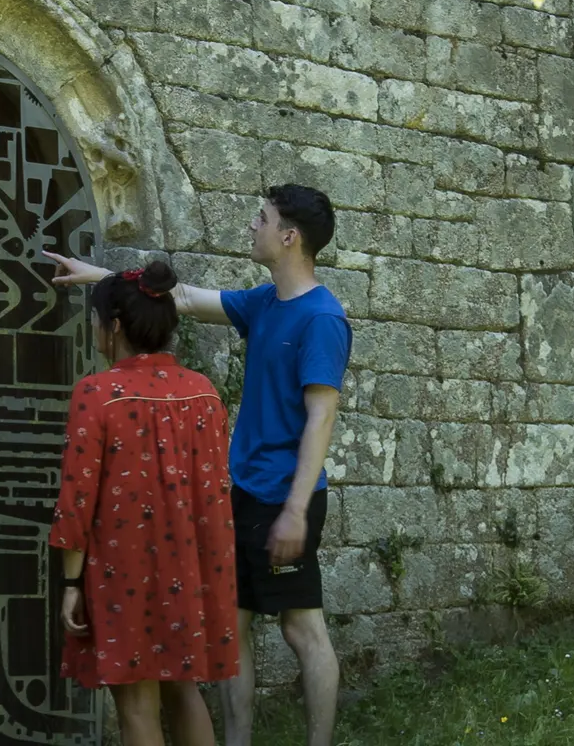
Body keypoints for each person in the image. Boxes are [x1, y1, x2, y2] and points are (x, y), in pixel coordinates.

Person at [48, 183, 351, 746]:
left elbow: (321, 417)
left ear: (289, 236)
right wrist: (94, 276)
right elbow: (179, 298)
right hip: (245, 493)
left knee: (301, 627)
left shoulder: (322, 319)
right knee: (231, 629)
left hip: (288, 497)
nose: (252, 226)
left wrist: (296, 510)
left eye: (262, 218)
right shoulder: (264, 302)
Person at [46, 254, 239, 746]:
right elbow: (216, 487)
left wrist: (71, 581)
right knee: (183, 688)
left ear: (113, 327)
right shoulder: (204, 392)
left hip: (122, 568)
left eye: (95, 322)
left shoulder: (98, 393)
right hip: (194, 566)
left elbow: (77, 499)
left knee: (135, 700)